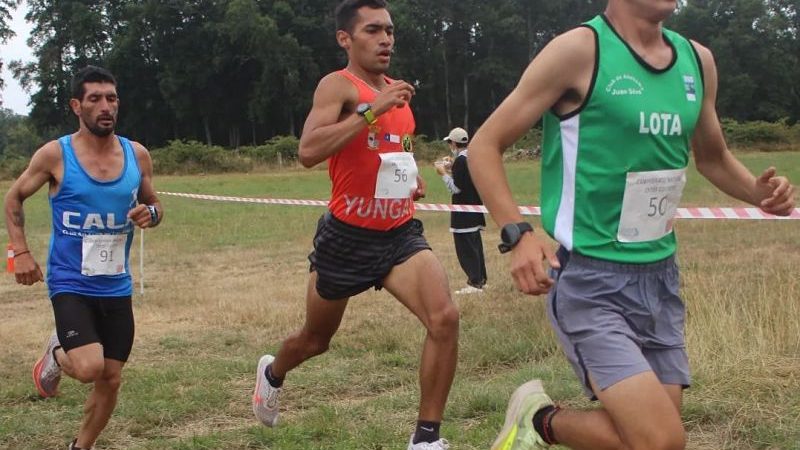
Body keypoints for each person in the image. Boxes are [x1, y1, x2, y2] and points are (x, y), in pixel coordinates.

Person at [467, 0, 796, 449]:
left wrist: (759, 195)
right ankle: (539, 420)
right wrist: (517, 233)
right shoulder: (579, 51)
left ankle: (538, 421)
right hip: (589, 280)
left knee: (642, 439)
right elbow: (485, 144)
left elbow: (713, 157)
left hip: (660, 278)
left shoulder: (698, 61)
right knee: (661, 442)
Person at [251, 1, 459, 449]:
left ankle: (426, 438)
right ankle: (273, 372)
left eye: (389, 30)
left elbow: (388, 152)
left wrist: (411, 177)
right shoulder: (338, 86)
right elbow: (308, 150)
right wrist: (371, 108)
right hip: (346, 238)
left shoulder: (398, 94)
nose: (386, 39)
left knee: (444, 318)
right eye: (373, 30)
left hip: (399, 233)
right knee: (314, 340)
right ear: (346, 38)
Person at [3, 65, 163, 450]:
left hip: (116, 284)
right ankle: (56, 355)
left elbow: (154, 204)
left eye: (111, 98)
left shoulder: (136, 154)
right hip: (70, 282)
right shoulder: (55, 154)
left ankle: (82, 446)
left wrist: (150, 214)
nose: (105, 106)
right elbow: (13, 197)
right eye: (95, 99)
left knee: (111, 378)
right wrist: (19, 252)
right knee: (90, 368)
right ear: (77, 105)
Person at [435, 127, 487, 294]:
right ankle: (481, 280)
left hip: (463, 215)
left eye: (450, 142)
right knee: (476, 247)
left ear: (454, 143)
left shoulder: (461, 161)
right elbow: (466, 179)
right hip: (474, 211)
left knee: (466, 249)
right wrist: (452, 167)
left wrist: (443, 173)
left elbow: (456, 188)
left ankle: (474, 283)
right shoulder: (470, 158)